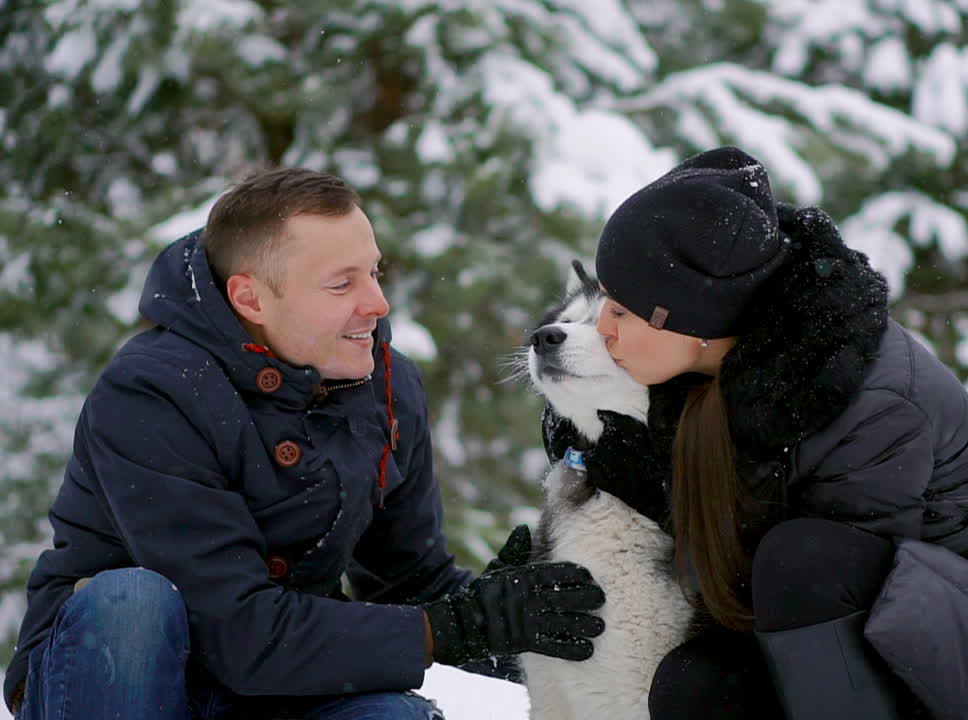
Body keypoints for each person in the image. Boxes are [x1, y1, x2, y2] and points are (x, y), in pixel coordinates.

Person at [543, 146, 968, 720]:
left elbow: (816, 584)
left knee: (801, 559)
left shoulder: (864, 392)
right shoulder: (710, 366)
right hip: (900, 641)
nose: (605, 331)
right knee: (695, 688)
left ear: (691, 315)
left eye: (620, 312)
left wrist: (666, 494)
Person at [5, 168, 606, 720]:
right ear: (251, 299)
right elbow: (236, 631)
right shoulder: (153, 393)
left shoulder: (388, 385)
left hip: (270, 689)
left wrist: (504, 621)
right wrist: (447, 627)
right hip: (118, 680)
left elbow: (406, 584)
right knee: (132, 602)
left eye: (374, 271)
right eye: (341, 284)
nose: (377, 302)